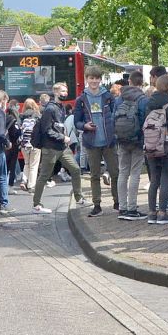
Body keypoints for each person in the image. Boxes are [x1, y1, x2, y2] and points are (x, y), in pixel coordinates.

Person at [32, 82, 87, 213]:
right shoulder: (50, 109)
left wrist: (64, 136)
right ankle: (36, 205)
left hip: (62, 147)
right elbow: (47, 130)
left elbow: (59, 126)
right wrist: (63, 137)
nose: (65, 93)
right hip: (50, 148)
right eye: (62, 91)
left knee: (75, 169)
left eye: (66, 91)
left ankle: (79, 198)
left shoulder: (60, 107)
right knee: (44, 175)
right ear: (55, 92)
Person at [74, 65, 120, 216]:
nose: (94, 81)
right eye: (91, 78)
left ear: (100, 79)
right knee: (94, 175)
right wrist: (85, 125)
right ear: (87, 79)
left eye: (96, 78)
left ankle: (118, 202)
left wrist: (114, 131)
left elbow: (115, 115)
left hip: (109, 141)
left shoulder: (107, 96)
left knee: (115, 173)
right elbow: (77, 122)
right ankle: (97, 205)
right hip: (92, 142)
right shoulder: (81, 99)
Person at [145, 75, 168, 224]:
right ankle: (162, 212)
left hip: (151, 145)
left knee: (154, 179)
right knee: (166, 177)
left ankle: (151, 213)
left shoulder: (149, 103)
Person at [116, 71, 149, 221]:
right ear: (141, 83)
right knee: (135, 173)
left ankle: (122, 207)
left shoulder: (119, 98)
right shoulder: (143, 99)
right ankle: (132, 208)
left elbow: (113, 118)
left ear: (129, 81)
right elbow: (145, 121)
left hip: (122, 140)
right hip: (136, 140)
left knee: (123, 172)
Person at [19, 98, 42, 192]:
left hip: (24, 144)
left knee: (26, 163)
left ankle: (24, 180)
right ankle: (31, 186)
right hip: (34, 144)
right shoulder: (38, 116)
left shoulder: (21, 116)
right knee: (34, 165)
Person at [5, 99, 23, 192]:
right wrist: (20, 130)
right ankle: (10, 186)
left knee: (5, 167)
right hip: (13, 145)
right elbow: (15, 133)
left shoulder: (5, 117)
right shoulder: (14, 120)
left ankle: (3, 186)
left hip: (5, 145)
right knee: (12, 167)